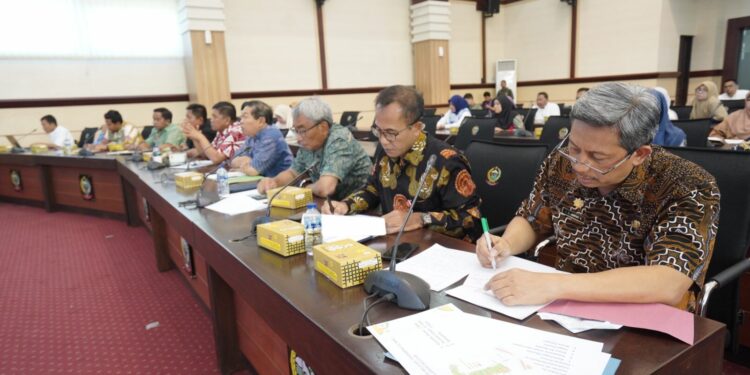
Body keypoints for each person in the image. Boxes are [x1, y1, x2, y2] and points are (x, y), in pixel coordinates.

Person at [476, 82, 719, 312]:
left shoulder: (687, 185)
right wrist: (506, 244)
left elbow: (668, 280)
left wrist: (552, 285)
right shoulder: (563, 161)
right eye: (574, 148)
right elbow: (533, 218)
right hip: (566, 307)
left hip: (642, 317)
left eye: (598, 158)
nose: (579, 166)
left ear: (640, 154)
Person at [323, 85, 482, 240]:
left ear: (417, 128)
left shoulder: (446, 161)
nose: (383, 141)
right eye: (378, 131)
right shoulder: (384, 151)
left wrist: (420, 219)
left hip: (438, 249)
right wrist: (346, 205)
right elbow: (372, 190)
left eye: (391, 133)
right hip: (395, 244)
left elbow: (470, 218)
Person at [256, 97, 372, 200]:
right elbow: (293, 173)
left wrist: (304, 186)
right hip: (335, 206)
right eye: (296, 131)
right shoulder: (309, 143)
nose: (298, 138)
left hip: (364, 208)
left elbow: (325, 188)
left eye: (302, 130)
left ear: (323, 127)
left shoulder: (339, 140)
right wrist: (273, 182)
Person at [231, 100, 293, 177]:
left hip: (281, 184)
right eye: (241, 117)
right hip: (263, 181)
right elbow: (234, 160)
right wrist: (247, 162)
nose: (241, 121)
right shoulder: (252, 135)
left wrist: (245, 165)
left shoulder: (271, 136)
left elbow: (253, 170)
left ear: (261, 121)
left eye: (245, 117)